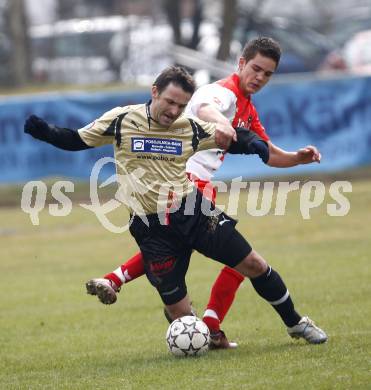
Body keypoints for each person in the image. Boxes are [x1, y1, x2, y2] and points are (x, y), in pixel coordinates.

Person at [24, 64, 327, 352]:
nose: (174, 111)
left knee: (254, 265)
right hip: (151, 230)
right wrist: (44, 131)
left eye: (181, 106)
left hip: (194, 212)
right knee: (183, 319)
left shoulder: (188, 128)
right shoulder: (122, 120)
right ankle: (199, 330)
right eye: (170, 101)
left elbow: (231, 138)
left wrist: (255, 145)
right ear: (154, 91)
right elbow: (75, 140)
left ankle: (295, 323)